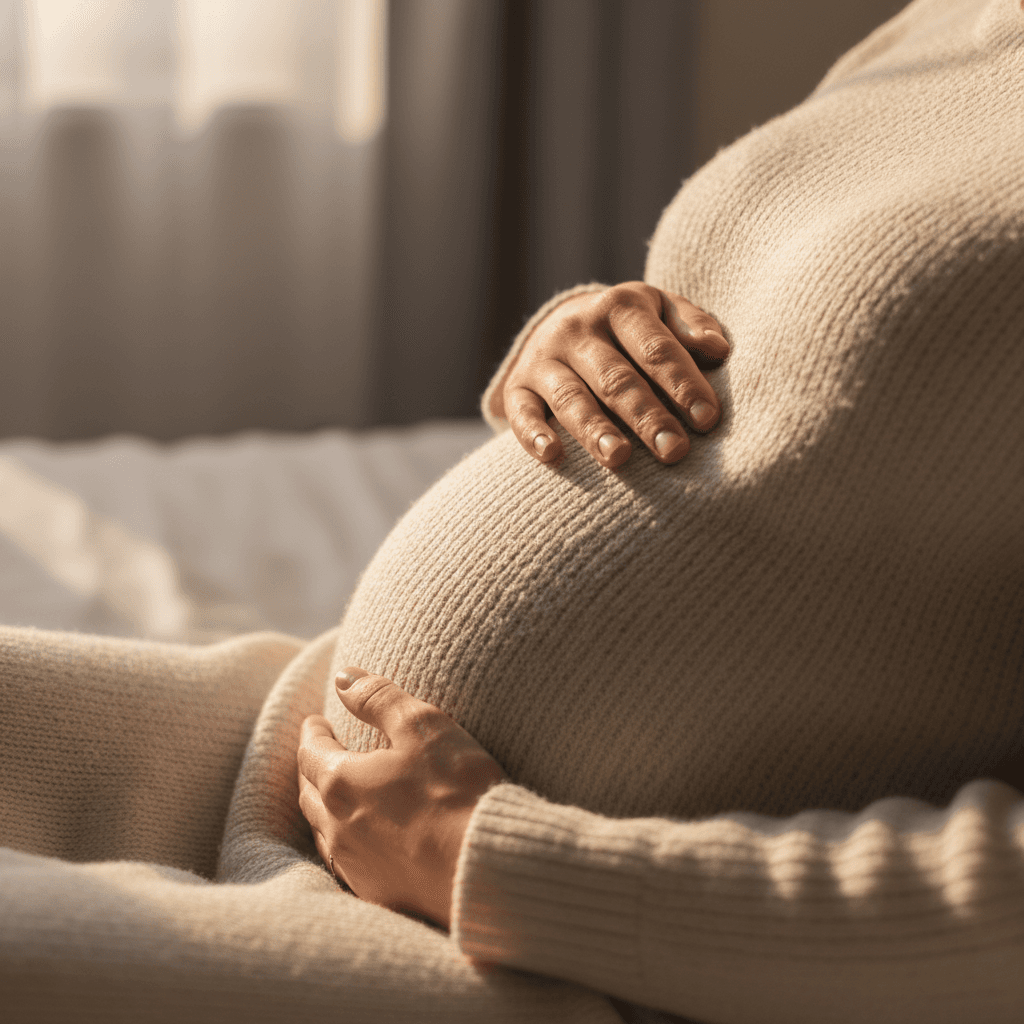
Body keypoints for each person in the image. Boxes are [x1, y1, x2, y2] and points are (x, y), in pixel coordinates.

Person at [1, 1, 1021, 1022]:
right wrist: (575, 347)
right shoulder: (953, 24)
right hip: (298, 749)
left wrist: (496, 865)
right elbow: (832, 374)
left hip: (572, 946)